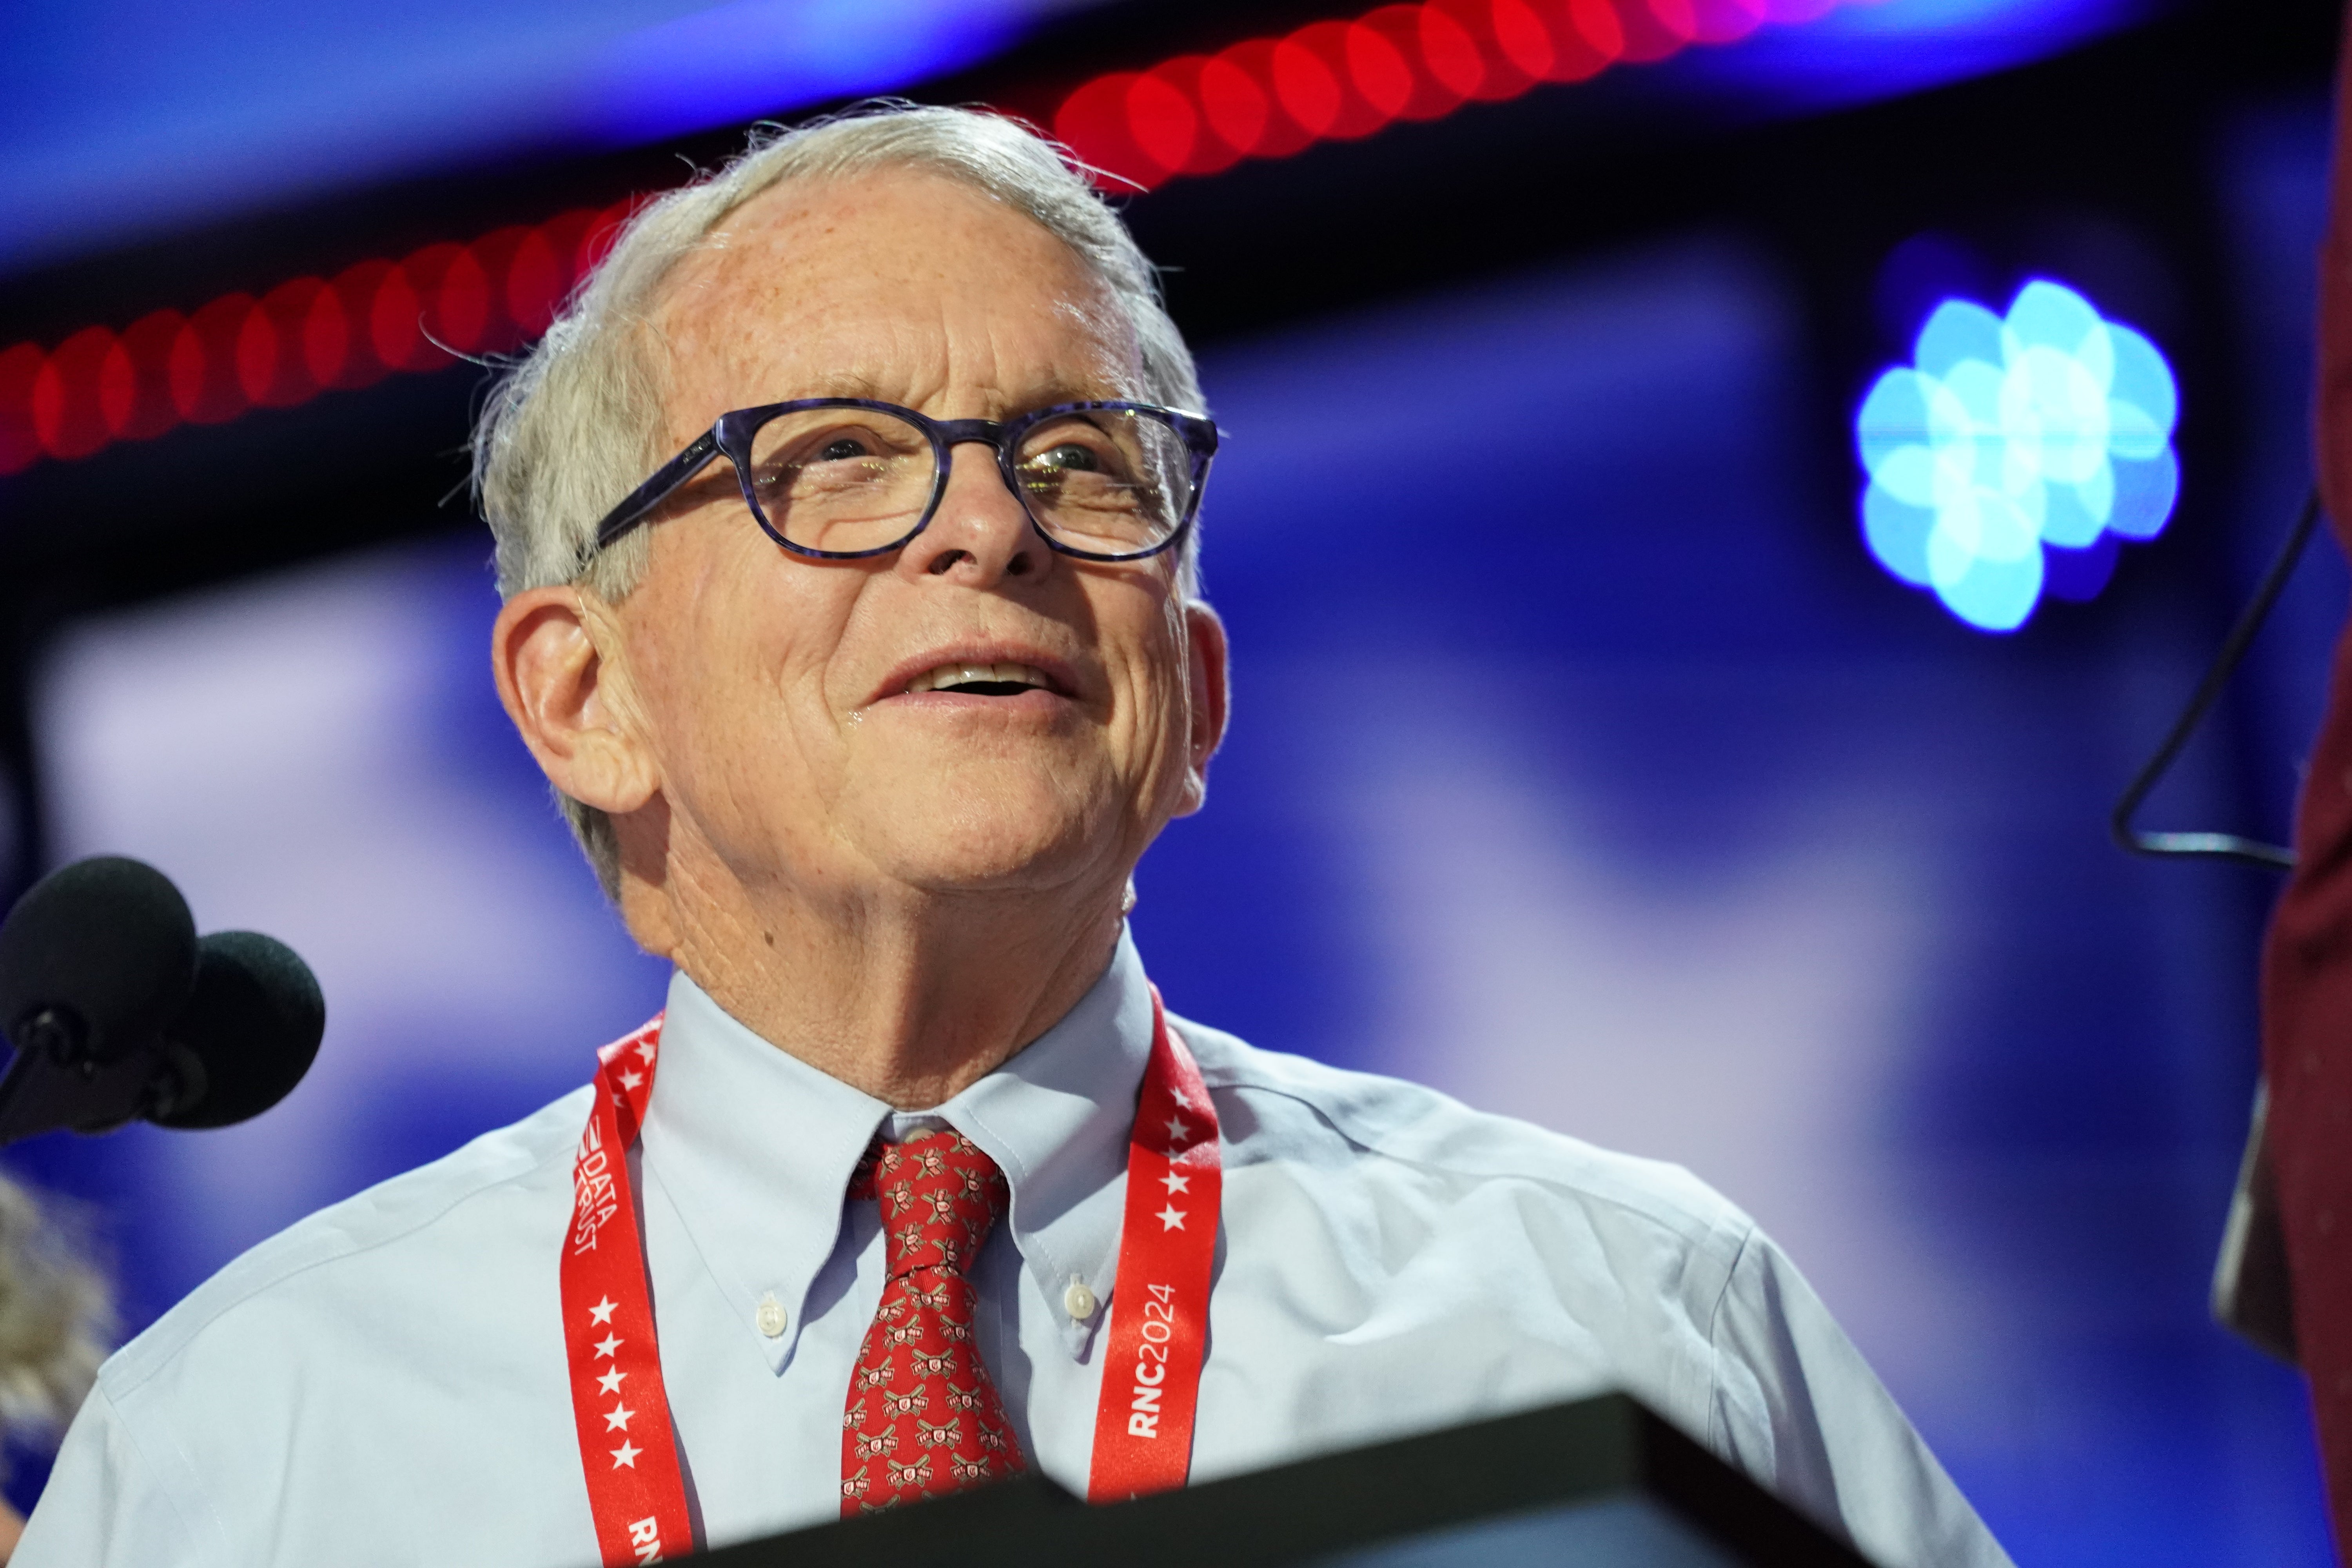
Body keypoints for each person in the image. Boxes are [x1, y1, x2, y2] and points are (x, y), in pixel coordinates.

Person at [13, 104, 2009, 1567]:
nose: (994, 531)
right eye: (836, 463)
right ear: (581, 696)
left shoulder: (1630, 1320)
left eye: (1081, 459)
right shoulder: (252, 1449)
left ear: (1192, 701)